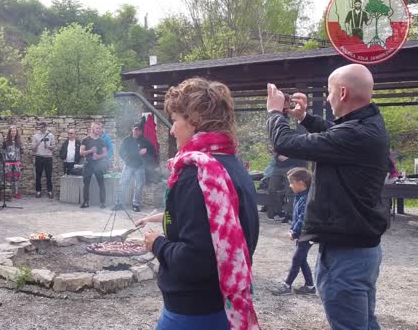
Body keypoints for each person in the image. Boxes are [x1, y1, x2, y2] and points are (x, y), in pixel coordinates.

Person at [266, 64, 389, 329]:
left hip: (346, 255)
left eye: (330, 92)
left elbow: (285, 143)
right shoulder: (366, 125)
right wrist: (304, 118)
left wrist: (275, 112)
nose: (329, 98)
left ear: (342, 93)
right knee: (365, 323)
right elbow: (334, 134)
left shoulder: (356, 134)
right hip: (360, 250)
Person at [136, 78, 260, 329]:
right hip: (222, 305)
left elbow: (196, 259)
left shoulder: (199, 175)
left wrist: (157, 243)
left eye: (175, 120)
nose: (172, 130)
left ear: (195, 120)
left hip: (193, 313)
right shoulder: (232, 164)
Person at [271, 167, 316, 296]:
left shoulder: (306, 198)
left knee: (297, 259)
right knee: (301, 259)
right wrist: (293, 229)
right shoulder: (300, 196)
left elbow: (303, 218)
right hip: (303, 234)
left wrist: (294, 232)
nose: (290, 186)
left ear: (301, 183)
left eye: (292, 182)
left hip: (306, 234)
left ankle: (287, 285)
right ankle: (310, 286)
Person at [113, 123, 155, 212]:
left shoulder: (144, 141)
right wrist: (128, 159)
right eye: (135, 129)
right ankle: (119, 204)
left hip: (140, 166)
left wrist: (146, 153)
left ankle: (136, 205)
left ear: (141, 131)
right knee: (122, 184)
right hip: (128, 165)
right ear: (132, 129)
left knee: (138, 186)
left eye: (139, 130)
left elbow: (153, 150)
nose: (137, 132)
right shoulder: (126, 140)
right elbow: (121, 152)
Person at [80, 122, 108, 209]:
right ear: (92, 129)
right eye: (97, 128)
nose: (99, 130)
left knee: (101, 184)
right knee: (86, 184)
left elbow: (105, 153)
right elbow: (81, 152)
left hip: (98, 165)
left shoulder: (101, 140)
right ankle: (86, 202)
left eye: (100, 128)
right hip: (88, 164)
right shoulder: (85, 140)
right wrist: (90, 151)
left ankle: (102, 203)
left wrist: (98, 156)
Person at [31, 122, 55, 199]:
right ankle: (38, 191)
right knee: (38, 176)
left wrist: (48, 146)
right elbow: (33, 150)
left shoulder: (51, 135)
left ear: (46, 127)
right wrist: (37, 145)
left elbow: (53, 148)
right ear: (39, 127)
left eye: (44, 127)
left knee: (49, 175)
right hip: (39, 157)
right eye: (41, 127)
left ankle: (50, 191)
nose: (43, 128)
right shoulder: (35, 136)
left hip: (48, 157)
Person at [2, 126, 23, 199]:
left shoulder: (19, 142)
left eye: (14, 131)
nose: (13, 132)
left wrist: (20, 161)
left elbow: (21, 152)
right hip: (8, 162)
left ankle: (16, 193)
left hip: (17, 162)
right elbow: (3, 152)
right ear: (9, 132)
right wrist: (4, 161)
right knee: (8, 177)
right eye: (12, 131)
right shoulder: (5, 142)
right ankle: (9, 193)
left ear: (16, 132)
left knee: (17, 177)